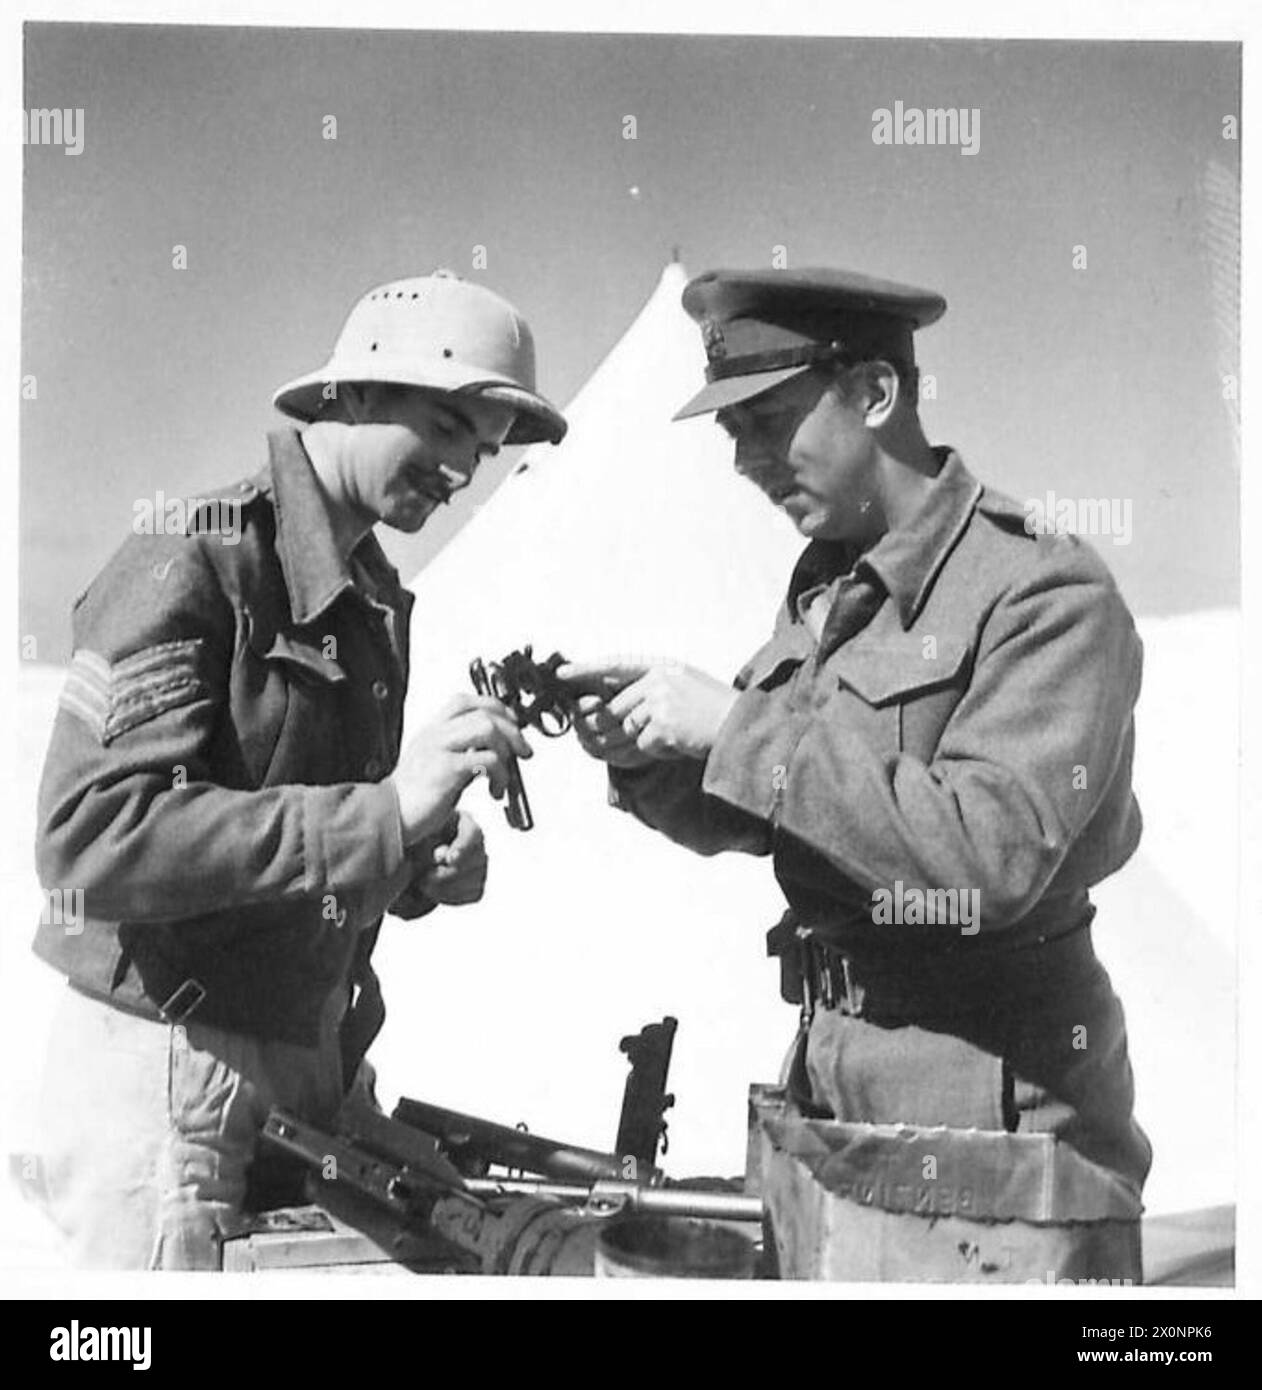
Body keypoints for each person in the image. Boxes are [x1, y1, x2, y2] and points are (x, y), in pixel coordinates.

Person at [561, 267, 1152, 1212]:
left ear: (875, 393)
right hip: (830, 1069)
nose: (745, 459)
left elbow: (986, 860)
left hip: (990, 1094)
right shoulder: (828, 589)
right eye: (730, 433)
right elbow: (773, 815)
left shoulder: (1044, 589)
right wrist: (649, 756)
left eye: (765, 420)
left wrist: (735, 726)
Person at [30, 269, 566, 1269]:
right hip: (167, 1075)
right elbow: (87, 843)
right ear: (356, 393)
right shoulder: (198, 556)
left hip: (305, 1069)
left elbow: (301, 851)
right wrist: (379, 814)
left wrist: (415, 865)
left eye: (483, 453)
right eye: (447, 426)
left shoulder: (374, 601)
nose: (463, 470)